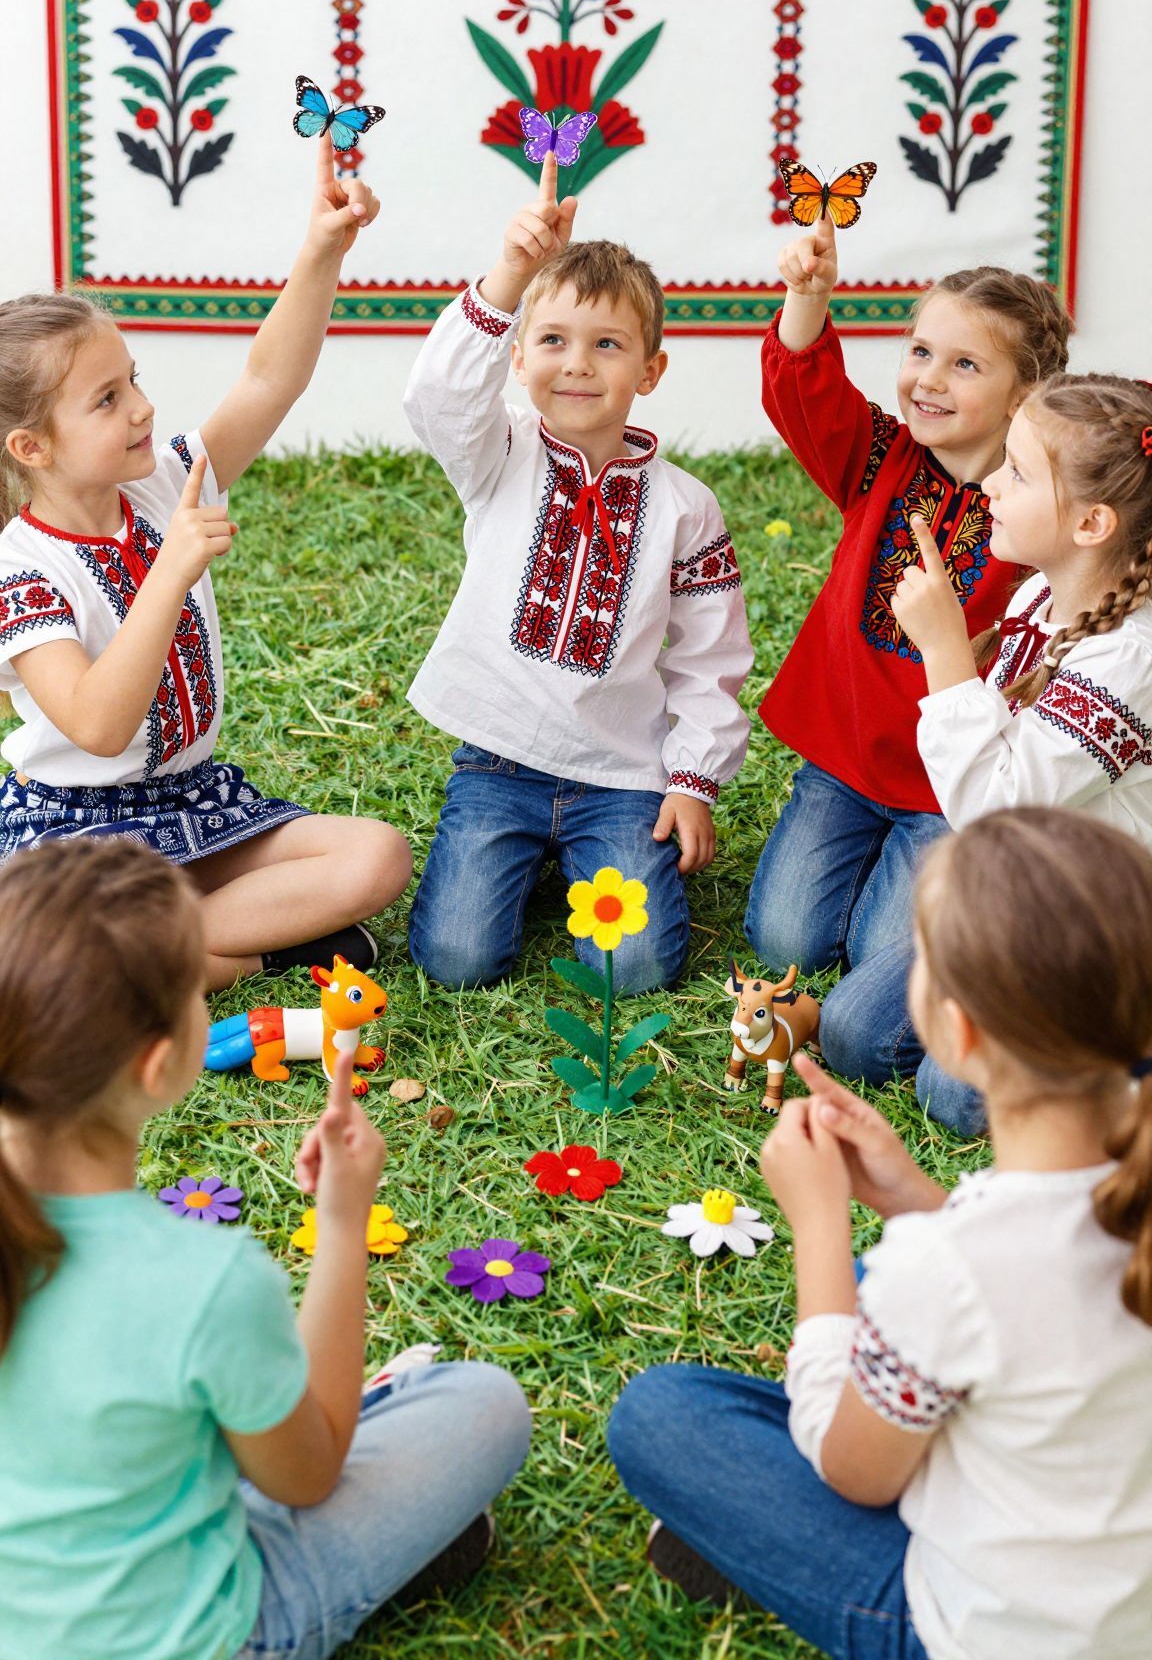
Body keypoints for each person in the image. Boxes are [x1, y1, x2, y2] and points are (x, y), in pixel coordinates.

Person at [608, 807, 1152, 1660]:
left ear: (957, 1032)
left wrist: (818, 1226)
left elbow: (852, 1470)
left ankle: (764, 1547)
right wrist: (910, 1195)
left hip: (983, 1634)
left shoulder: (948, 1268)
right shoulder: (1081, 1210)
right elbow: (1037, 1297)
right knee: (882, 1289)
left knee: (660, 1416)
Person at [0, 839, 532, 1660]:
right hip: (207, 1635)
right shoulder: (199, 1280)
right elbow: (308, 1476)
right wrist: (345, 1227)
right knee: (484, 1405)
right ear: (159, 1065)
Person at [0, 140, 411, 987]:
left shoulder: (161, 483)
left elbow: (268, 382)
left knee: (377, 857)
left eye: (134, 380)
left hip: (195, 804)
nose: (144, 408)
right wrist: (169, 572)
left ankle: (149, 954)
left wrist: (319, 253)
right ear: (31, 446)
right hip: (75, 833)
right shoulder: (21, 573)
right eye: (107, 399)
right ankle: (256, 953)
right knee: (33, 947)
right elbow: (98, 725)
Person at [747, 211, 1070, 1124]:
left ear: (1023, 395)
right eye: (921, 351)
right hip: (844, 764)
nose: (928, 379)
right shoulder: (882, 458)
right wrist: (808, 295)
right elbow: (802, 391)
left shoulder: (1034, 515)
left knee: (866, 976)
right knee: (784, 938)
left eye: (965, 364)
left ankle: (930, 929)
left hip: (946, 797)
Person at [402, 154, 753, 994]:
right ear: (518, 358)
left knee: (634, 969)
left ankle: (576, 862)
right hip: (498, 764)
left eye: (607, 345)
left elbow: (709, 656)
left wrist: (692, 780)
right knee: (456, 959)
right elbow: (437, 398)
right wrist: (507, 277)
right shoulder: (501, 457)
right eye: (552, 341)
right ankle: (521, 866)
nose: (578, 364)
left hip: (622, 779)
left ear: (651, 370)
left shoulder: (686, 507)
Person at [876, 371, 1152, 1130]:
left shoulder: (1129, 658)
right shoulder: (1043, 592)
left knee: (953, 1098)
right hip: (1030, 890)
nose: (992, 482)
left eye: (1020, 472)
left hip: (1093, 926)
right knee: (859, 1037)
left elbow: (995, 807)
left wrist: (943, 652)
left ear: (1092, 524)